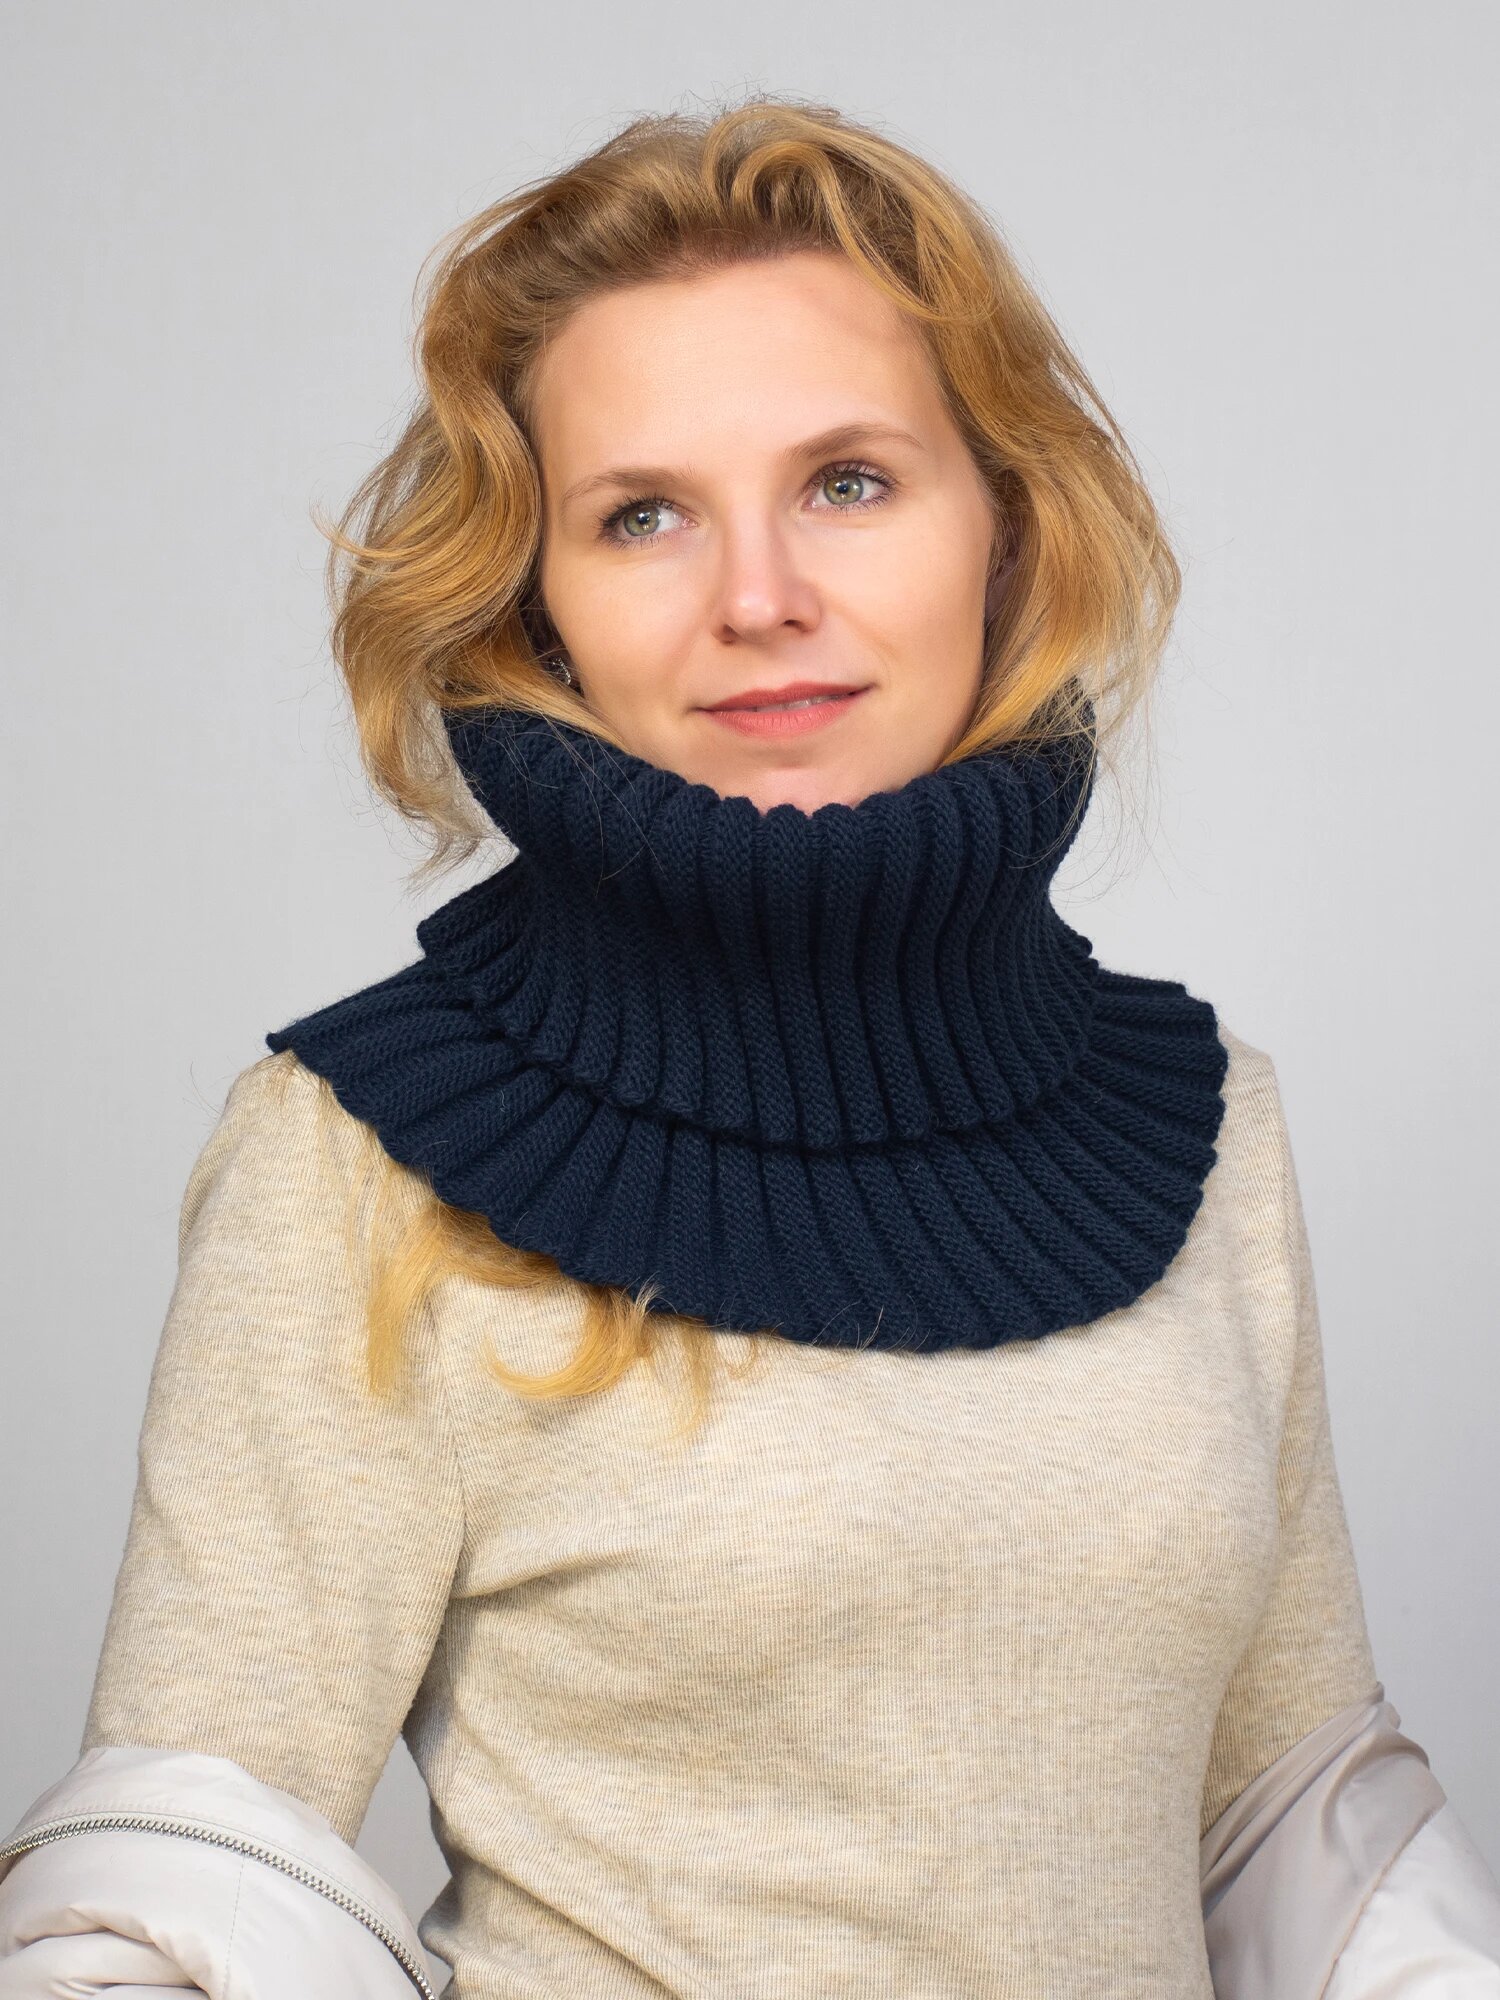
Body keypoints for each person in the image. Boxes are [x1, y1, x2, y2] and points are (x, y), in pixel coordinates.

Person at [2, 95, 1497, 2000]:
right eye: (641, 515)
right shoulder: (356, 1153)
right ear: (538, 600)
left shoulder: (1205, 1132)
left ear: (1004, 526)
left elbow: (1311, 1855)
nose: (760, 597)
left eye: (850, 481)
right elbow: (183, 1883)